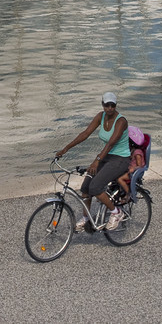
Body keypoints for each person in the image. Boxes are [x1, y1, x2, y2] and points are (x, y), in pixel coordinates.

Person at [55, 91, 132, 231]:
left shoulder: (121, 121)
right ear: (102, 104)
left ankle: (116, 212)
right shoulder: (100, 117)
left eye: (112, 105)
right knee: (85, 188)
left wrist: (97, 161)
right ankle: (86, 218)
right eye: (106, 105)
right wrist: (66, 149)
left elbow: (110, 144)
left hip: (121, 159)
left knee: (95, 187)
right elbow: (85, 134)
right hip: (107, 157)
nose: (109, 108)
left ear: (115, 105)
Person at [116, 125, 150, 202]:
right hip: (129, 170)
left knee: (120, 179)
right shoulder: (132, 151)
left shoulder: (137, 153)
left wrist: (133, 168)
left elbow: (140, 165)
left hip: (134, 172)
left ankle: (128, 194)